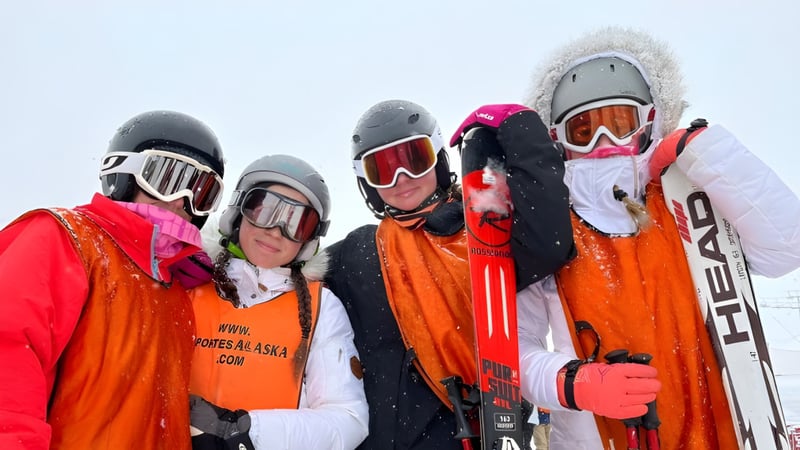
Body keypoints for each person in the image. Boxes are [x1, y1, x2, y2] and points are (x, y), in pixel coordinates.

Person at [517, 26, 800, 449]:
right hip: (598, 435)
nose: (604, 141)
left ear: (649, 122)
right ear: (558, 139)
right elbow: (513, 350)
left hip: (717, 430)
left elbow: (786, 248)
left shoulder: (687, 205)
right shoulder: (549, 231)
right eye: (584, 130)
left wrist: (703, 150)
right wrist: (572, 382)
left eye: (620, 122)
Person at [323, 99, 575, 449]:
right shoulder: (354, 254)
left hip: (480, 432)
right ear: (367, 182)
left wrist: (521, 131)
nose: (401, 178)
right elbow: (282, 278)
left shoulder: (486, 229)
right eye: (382, 169)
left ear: (439, 159)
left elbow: (549, 246)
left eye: (414, 159)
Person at [0, 110, 227, 450]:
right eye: (166, 177)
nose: (182, 200)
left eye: (201, 190)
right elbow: (9, 351)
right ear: (123, 173)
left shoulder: (176, 290)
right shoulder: (66, 238)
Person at [187, 154, 369, 450]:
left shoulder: (320, 307)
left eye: (297, 223)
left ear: (309, 240)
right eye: (264, 210)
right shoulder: (190, 283)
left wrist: (241, 433)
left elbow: (348, 420)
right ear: (238, 211)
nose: (275, 231)